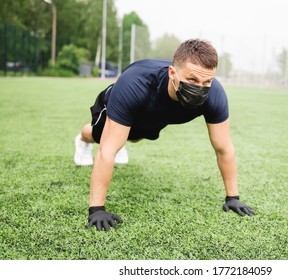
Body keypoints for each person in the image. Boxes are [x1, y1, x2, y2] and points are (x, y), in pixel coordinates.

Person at [74, 39, 255, 231]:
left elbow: (224, 148)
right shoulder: (135, 84)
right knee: (102, 138)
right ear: (172, 73)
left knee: (133, 137)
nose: (200, 87)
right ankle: (82, 140)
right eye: (192, 80)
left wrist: (233, 198)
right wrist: (97, 209)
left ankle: (124, 137)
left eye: (207, 81)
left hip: (157, 115)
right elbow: (107, 151)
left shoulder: (214, 94)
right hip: (130, 102)